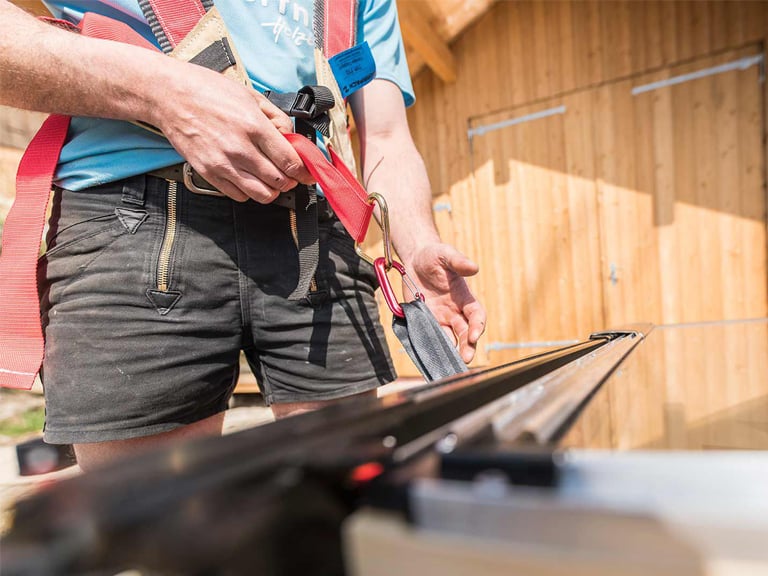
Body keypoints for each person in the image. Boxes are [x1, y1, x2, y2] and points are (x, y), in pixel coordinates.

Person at [0, 0, 486, 471]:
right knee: (154, 531)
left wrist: (418, 243)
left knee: (335, 505)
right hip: (140, 223)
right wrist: (161, 94)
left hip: (316, 233)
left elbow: (385, 138)